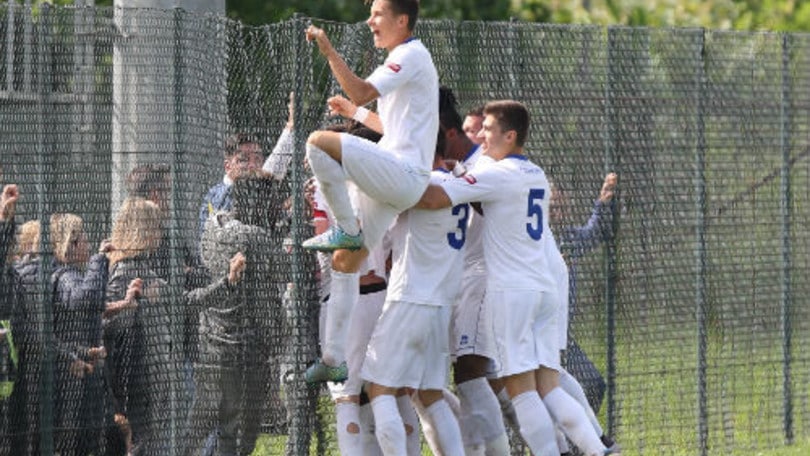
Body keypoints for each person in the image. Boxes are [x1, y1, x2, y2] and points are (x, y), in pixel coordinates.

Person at [417, 100, 616, 456]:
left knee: (521, 391)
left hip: (513, 291)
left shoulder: (497, 174)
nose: (482, 136)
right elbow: (488, 200)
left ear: (509, 136)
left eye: (488, 129)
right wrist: (460, 171)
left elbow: (436, 198)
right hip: (544, 289)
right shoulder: (535, 173)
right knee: (549, 387)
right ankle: (598, 449)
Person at [301, 0, 439, 383]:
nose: (370, 21)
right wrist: (354, 114)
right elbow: (389, 124)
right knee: (345, 261)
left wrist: (329, 52)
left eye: (378, 14)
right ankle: (333, 358)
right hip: (399, 179)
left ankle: (345, 227)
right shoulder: (405, 57)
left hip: (403, 174)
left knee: (317, 142)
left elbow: (361, 91)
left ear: (402, 20)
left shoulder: (410, 54)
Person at [361, 127, 465, 456]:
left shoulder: (421, 184)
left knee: (380, 389)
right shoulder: (459, 183)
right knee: (431, 395)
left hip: (410, 296)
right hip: (441, 302)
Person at [187, 170, 288, 456]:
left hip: (211, 339)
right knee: (242, 431)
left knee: (210, 420)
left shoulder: (213, 226)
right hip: (247, 346)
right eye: (272, 201)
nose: (277, 207)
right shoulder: (253, 236)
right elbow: (284, 269)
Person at [438, 87, 511, 455]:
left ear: (448, 132)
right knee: (491, 377)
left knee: (470, 373)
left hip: (484, 278)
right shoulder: (459, 166)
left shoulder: (484, 167)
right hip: (467, 280)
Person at [104, 197, 180, 455]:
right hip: (138, 376)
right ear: (142, 229)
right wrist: (136, 302)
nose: (160, 233)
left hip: (153, 373)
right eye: (156, 226)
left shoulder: (143, 267)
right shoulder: (124, 271)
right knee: (141, 443)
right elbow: (109, 321)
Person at [49, 213, 111, 456]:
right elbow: (84, 300)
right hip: (71, 379)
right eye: (83, 237)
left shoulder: (76, 274)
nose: (88, 242)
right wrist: (99, 260)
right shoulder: (65, 277)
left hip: (82, 371)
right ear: (71, 244)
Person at [198, 133, 264, 241]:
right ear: (228, 166)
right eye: (243, 160)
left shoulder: (262, 190)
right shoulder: (221, 195)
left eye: (257, 159)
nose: (252, 165)